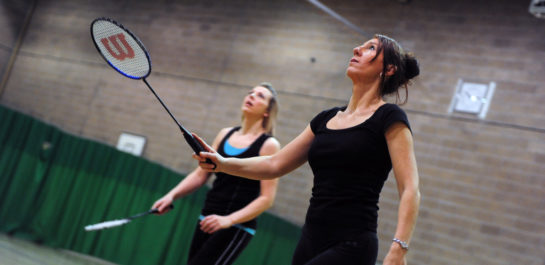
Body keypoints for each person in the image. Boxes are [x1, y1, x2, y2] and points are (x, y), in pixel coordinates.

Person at [193, 34, 421, 265]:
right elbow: (275, 164)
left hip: (352, 244)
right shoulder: (325, 118)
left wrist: (398, 249)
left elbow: (409, 188)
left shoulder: (389, 117)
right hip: (310, 238)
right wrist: (222, 163)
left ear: (389, 69)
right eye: (360, 46)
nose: (356, 50)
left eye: (370, 48)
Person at [152, 82, 281, 265]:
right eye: (250, 92)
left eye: (260, 96)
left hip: (236, 225)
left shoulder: (269, 145)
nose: (251, 96)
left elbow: (267, 198)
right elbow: (200, 174)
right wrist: (171, 195)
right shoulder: (225, 134)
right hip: (207, 218)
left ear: (267, 111)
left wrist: (228, 220)